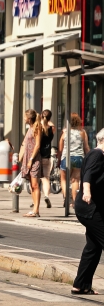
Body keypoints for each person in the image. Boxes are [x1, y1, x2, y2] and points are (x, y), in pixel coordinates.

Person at [71, 128, 104, 295]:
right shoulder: (97, 155)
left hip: (90, 207)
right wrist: (87, 191)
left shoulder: (97, 155)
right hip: (89, 207)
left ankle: (81, 284)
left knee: (93, 247)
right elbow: (88, 175)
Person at [60, 113, 90, 208]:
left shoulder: (65, 132)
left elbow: (60, 148)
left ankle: (66, 198)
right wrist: (88, 157)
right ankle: (74, 202)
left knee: (64, 179)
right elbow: (86, 147)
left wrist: (58, 158)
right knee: (75, 180)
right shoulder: (82, 132)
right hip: (78, 158)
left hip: (66, 157)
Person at [21, 109, 43, 218]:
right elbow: (25, 144)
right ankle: (34, 208)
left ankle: (36, 210)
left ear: (29, 118)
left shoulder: (37, 128)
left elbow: (37, 145)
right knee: (31, 185)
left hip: (34, 159)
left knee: (35, 184)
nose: (24, 119)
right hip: (28, 158)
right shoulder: (29, 128)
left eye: (25, 117)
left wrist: (31, 159)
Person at [38, 109, 55, 209]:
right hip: (47, 155)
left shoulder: (38, 127)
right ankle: (46, 196)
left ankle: (35, 200)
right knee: (46, 178)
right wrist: (48, 120)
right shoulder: (52, 128)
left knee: (35, 179)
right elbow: (51, 124)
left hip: (38, 155)